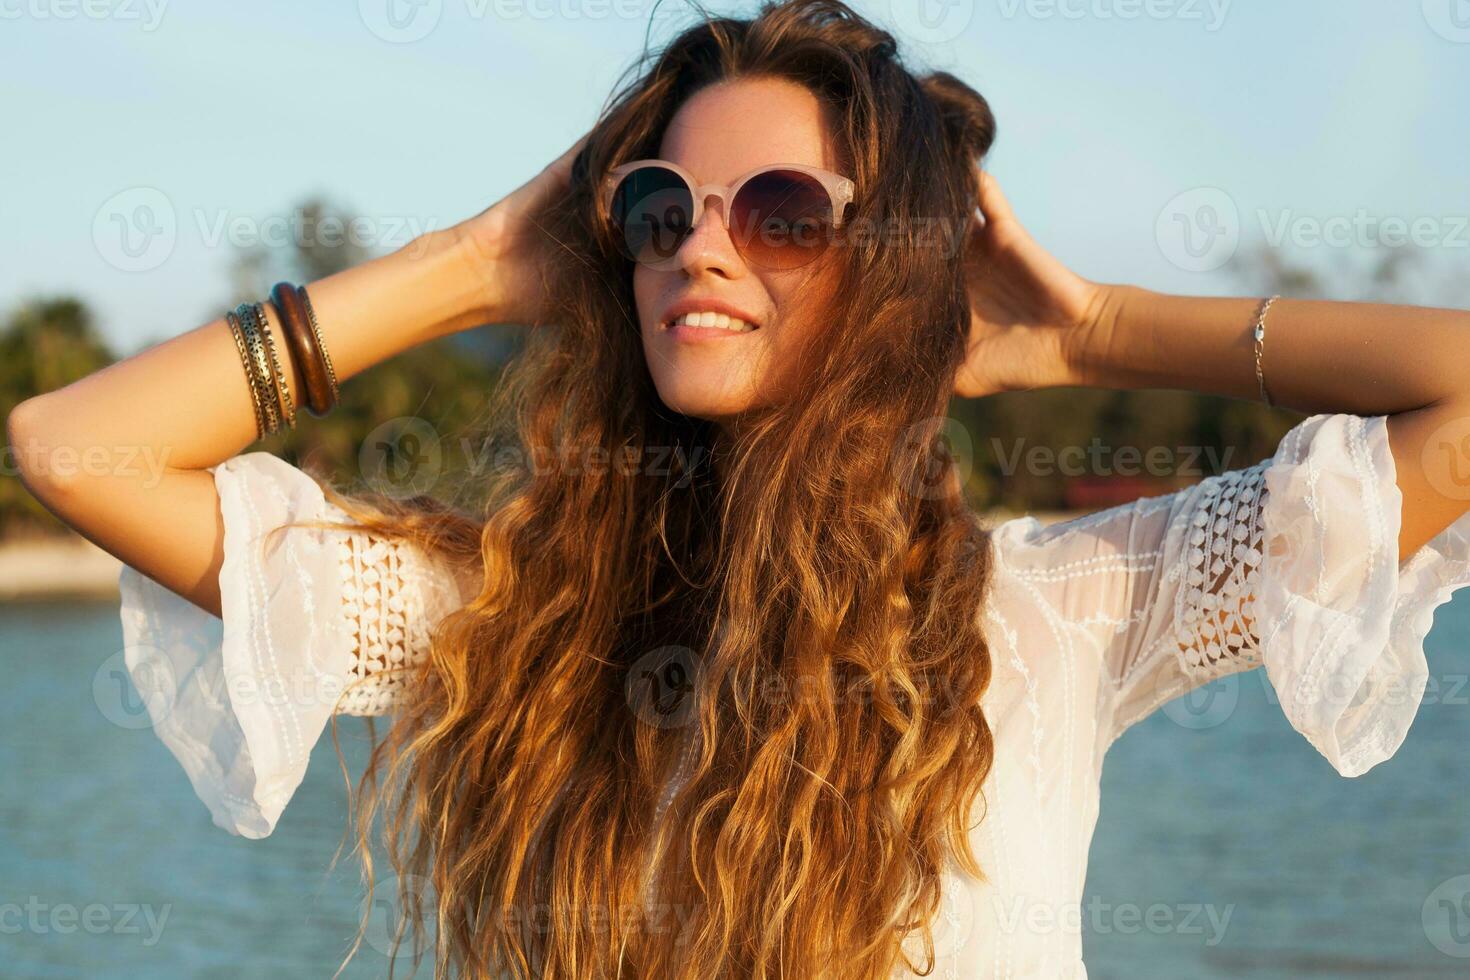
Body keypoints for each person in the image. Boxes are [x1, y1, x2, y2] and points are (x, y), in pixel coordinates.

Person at [10, 1, 1470, 976]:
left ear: (887, 270)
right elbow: (77, 443)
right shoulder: (507, 621)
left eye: (781, 213)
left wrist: (1091, 329)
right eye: (657, 209)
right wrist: (472, 263)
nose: (697, 250)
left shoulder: (1059, 608)